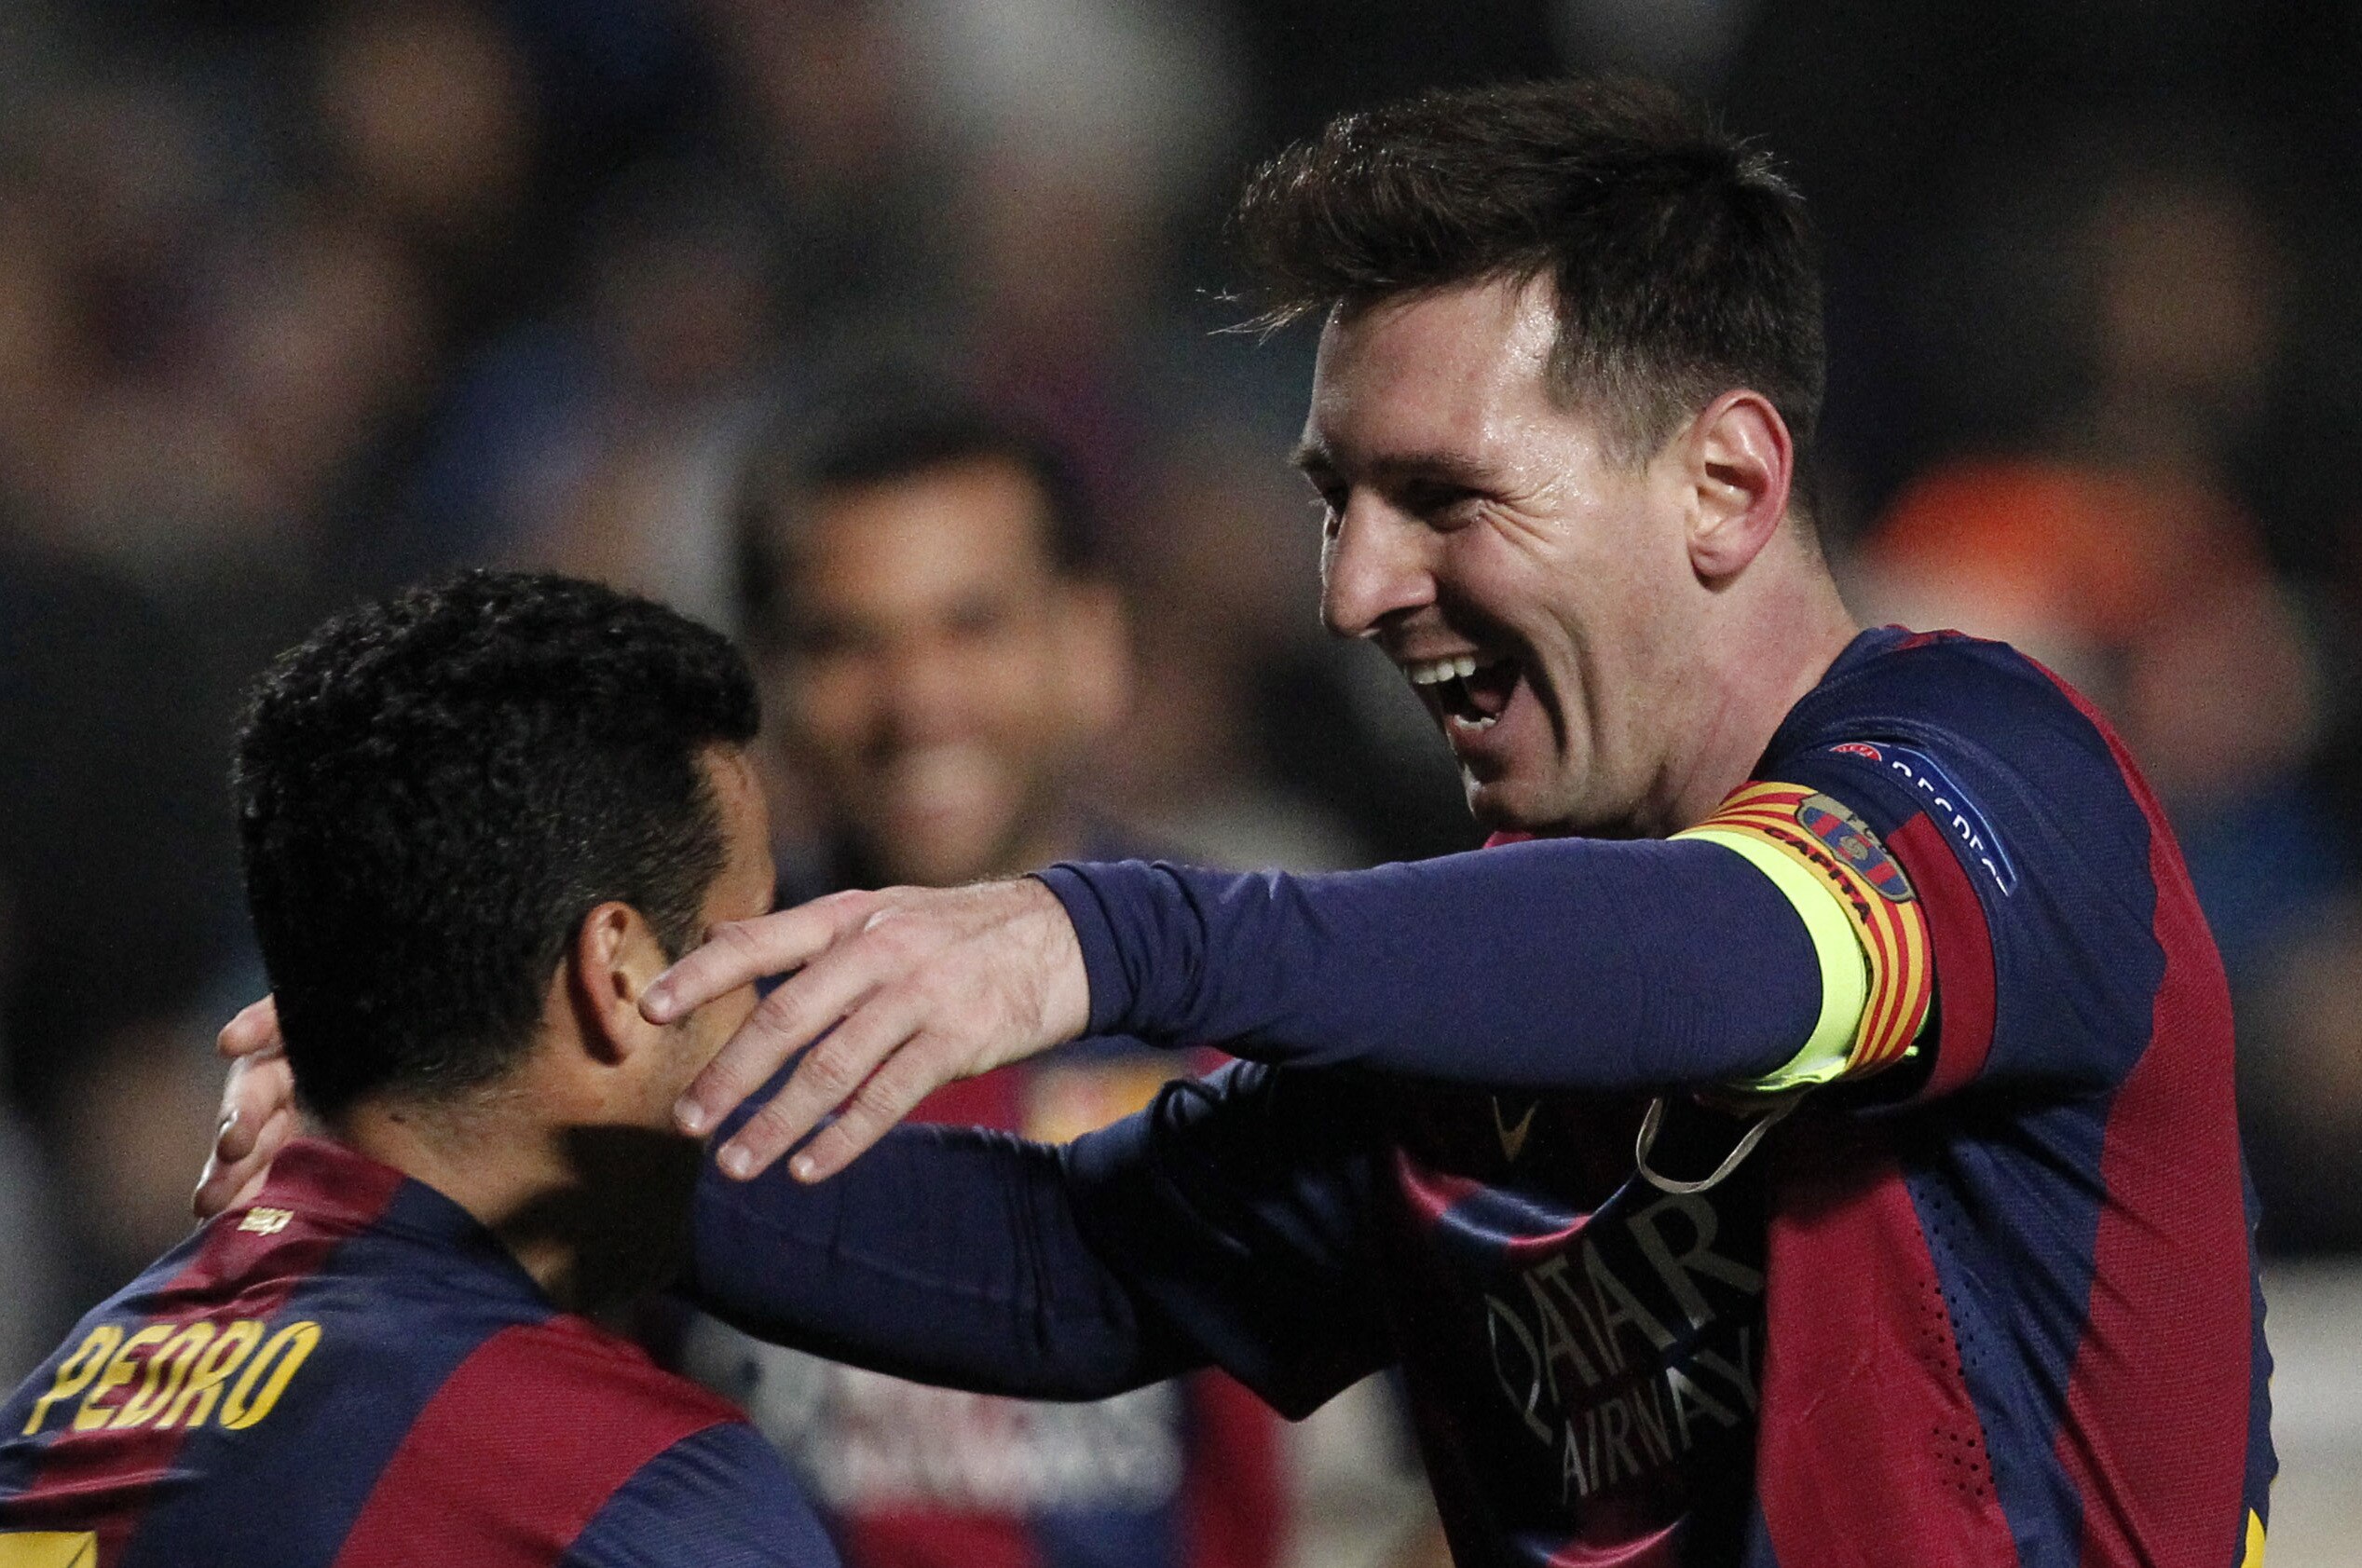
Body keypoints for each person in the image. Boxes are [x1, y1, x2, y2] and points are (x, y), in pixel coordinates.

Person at [209, 82, 2274, 1567]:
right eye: (1327, 501)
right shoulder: (1471, 1001)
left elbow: (1722, 953)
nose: (1352, 589)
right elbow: (1066, 1263)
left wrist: (1104, 932)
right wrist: (486, 1114)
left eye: (1445, 498)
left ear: (1725, 486)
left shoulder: (1991, 778)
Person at [20, 571, 837, 1566]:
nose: (769, 1010)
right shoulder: (637, 1494)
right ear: (617, 974)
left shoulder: (56, 1423)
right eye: (744, 949)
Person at [678, 395, 1293, 1568]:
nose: (919, 701)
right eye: (844, 642)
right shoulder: (675, 1017)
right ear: (762, 682)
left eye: (972, 626)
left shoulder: (1263, 994)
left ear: (1092, 644)